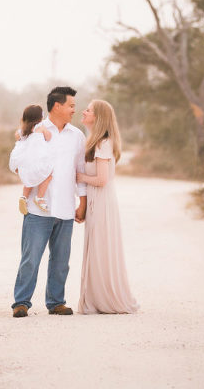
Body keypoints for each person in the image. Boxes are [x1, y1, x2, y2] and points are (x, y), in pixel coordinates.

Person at [9, 86, 87, 318]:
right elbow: (17, 161)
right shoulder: (36, 131)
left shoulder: (77, 136)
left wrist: (81, 203)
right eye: (71, 105)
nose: (75, 109)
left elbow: (80, 171)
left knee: (61, 261)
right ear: (57, 106)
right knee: (30, 258)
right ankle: (21, 302)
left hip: (65, 207)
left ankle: (56, 302)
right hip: (37, 209)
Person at [76, 99, 139, 314]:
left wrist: (79, 176)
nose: (83, 111)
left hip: (101, 200)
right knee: (96, 247)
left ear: (99, 117)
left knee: (100, 247)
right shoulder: (91, 140)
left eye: (89, 110)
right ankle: (95, 296)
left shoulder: (103, 142)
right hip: (97, 198)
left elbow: (102, 179)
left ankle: (104, 298)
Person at [9, 104, 54, 214]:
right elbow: (49, 137)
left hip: (23, 162)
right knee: (48, 175)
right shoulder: (41, 127)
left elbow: (18, 138)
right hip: (36, 161)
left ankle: (24, 197)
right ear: (40, 117)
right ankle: (39, 197)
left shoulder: (21, 131)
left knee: (29, 180)